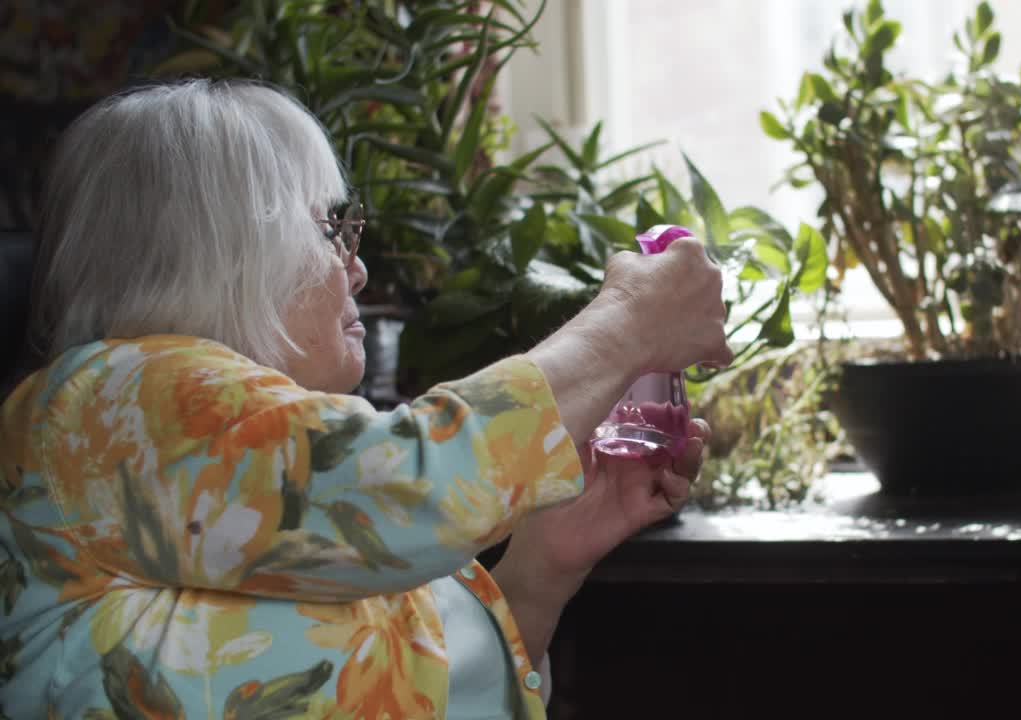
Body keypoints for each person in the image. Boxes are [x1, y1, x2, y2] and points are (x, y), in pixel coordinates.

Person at [0, 79, 732, 719]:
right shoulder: (102, 403)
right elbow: (397, 483)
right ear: (223, 250)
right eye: (330, 229)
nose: (356, 268)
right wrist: (629, 325)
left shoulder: (297, 493)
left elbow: (414, 682)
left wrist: (541, 570)